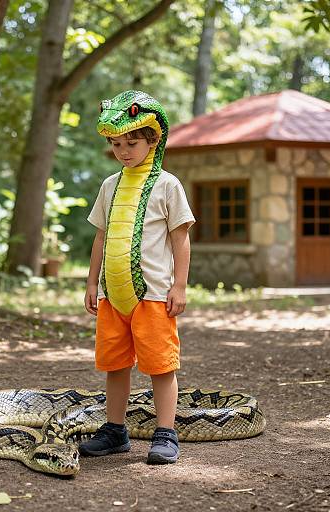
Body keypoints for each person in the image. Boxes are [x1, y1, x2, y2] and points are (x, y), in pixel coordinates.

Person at [79, 90, 195, 464]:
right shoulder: (109, 186)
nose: (123, 151)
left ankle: (166, 433)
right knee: (114, 364)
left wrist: (179, 285)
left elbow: (181, 238)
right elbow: (100, 236)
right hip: (114, 296)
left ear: (153, 139)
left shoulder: (168, 185)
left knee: (161, 366)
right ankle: (115, 431)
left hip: (155, 295)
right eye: (115, 144)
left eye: (131, 142)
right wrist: (91, 282)